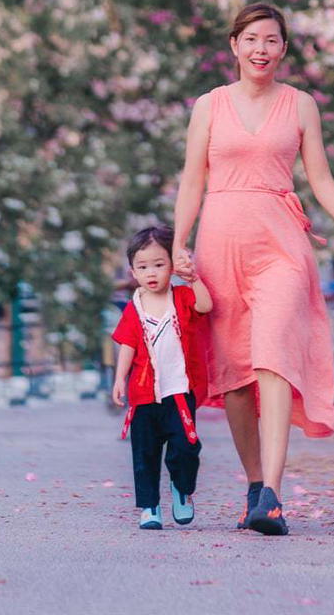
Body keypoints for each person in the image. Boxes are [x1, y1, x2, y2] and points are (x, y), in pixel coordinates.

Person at [173, 1, 334, 537]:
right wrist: (178, 245)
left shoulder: (301, 104)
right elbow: (192, 179)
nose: (262, 49)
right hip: (220, 243)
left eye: (272, 41)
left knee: (275, 358)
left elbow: (320, 176)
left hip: (282, 244)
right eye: (252, 39)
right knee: (235, 374)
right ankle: (255, 485)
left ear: (283, 50)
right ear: (234, 45)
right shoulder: (209, 106)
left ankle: (275, 495)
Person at [111, 223, 212, 531]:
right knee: (145, 453)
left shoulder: (181, 297)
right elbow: (127, 345)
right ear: (133, 272)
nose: (151, 272)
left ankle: (181, 488)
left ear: (172, 265)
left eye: (159, 264)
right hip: (144, 395)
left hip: (179, 391)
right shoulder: (135, 307)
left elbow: (206, 306)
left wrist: (193, 277)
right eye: (143, 267)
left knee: (186, 446)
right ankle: (150, 508)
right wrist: (119, 380)